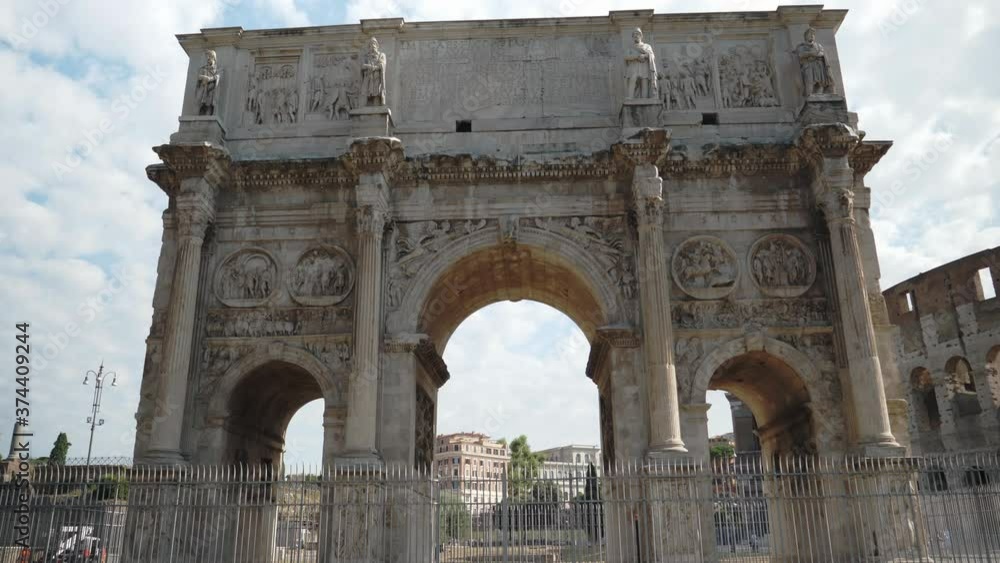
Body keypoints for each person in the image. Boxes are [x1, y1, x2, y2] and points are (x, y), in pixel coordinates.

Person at [794, 27, 835, 96]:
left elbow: (822, 53)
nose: (812, 36)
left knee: (820, 82)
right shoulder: (801, 46)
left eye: (813, 35)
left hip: (819, 66)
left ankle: (820, 96)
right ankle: (809, 96)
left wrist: (813, 54)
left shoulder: (818, 45)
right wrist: (811, 53)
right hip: (808, 66)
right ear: (806, 36)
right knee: (809, 82)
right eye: (810, 34)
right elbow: (801, 55)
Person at [624, 28, 658, 99]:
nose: (636, 36)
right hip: (634, 67)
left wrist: (644, 56)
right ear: (632, 37)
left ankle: (644, 99)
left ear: (641, 36)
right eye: (634, 35)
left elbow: (652, 55)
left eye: (637, 34)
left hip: (644, 67)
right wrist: (636, 57)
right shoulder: (630, 47)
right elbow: (626, 57)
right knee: (633, 79)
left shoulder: (647, 46)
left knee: (644, 81)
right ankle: (630, 97)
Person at [361, 37, 387, 106]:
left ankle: (377, 107)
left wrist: (375, 67)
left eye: (374, 44)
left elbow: (382, 64)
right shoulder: (366, 56)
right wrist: (369, 66)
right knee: (365, 94)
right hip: (368, 78)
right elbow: (362, 66)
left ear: (377, 45)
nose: (372, 46)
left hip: (377, 78)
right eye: (371, 44)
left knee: (376, 94)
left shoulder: (381, 55)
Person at [195, 50, 220, 115]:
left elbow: (217, 76)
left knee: (209, 105)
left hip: (211, 89)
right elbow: (199, 76)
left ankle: (208, 116)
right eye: (207, 57)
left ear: (213, 58)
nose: (208, 58)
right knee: (199, 104)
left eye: (209, 57)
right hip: (203, 88)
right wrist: (205, 77)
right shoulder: (203, 68)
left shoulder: (217, 69)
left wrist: (210, 79)